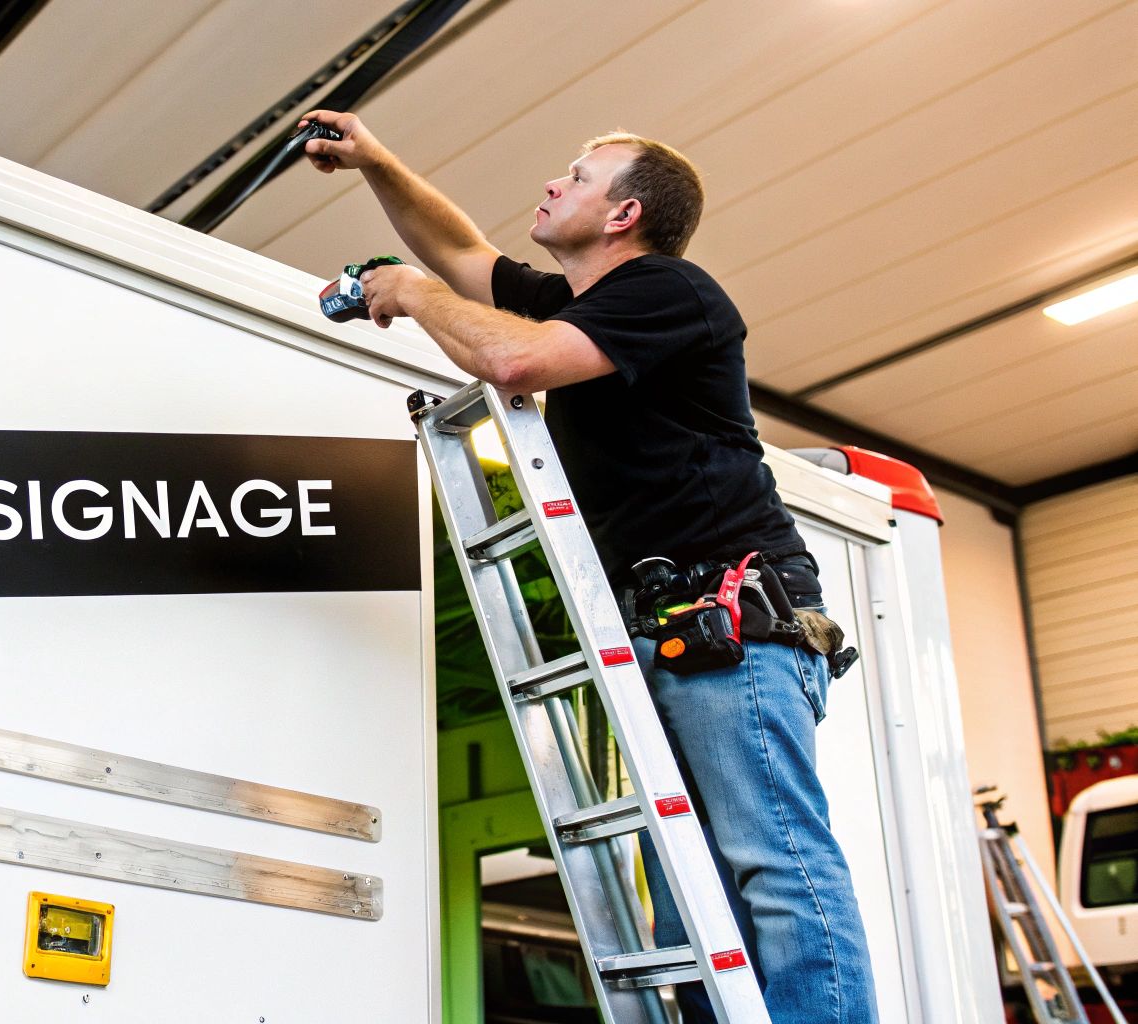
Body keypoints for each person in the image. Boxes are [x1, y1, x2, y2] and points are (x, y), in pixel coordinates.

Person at [297, 109, 878, 1024]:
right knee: (691, 895)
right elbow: (459, 248)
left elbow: (510, 357)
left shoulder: (668, 291)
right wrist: (375, 160)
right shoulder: (580, 306)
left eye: (578, 175)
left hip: (735, 629)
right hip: (669, 636)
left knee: (776, 867)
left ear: (624, 214)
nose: (553, 183)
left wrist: (407, 292)